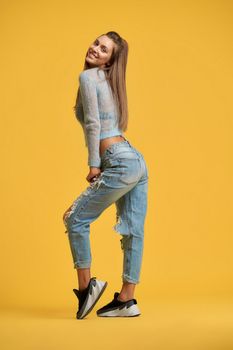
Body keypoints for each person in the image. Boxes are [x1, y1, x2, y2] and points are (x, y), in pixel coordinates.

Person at [63, 31, 148, 319]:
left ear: (110, 61)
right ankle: (127, 300)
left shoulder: (89, 78)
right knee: (133, 231)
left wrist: (94, 164)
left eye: (104, 49)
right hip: (135, 160)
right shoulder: (110, 82)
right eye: (96, 43)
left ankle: (87, 288)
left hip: (118, 161)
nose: (96, 49)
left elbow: (92, 123)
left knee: (75, 218)